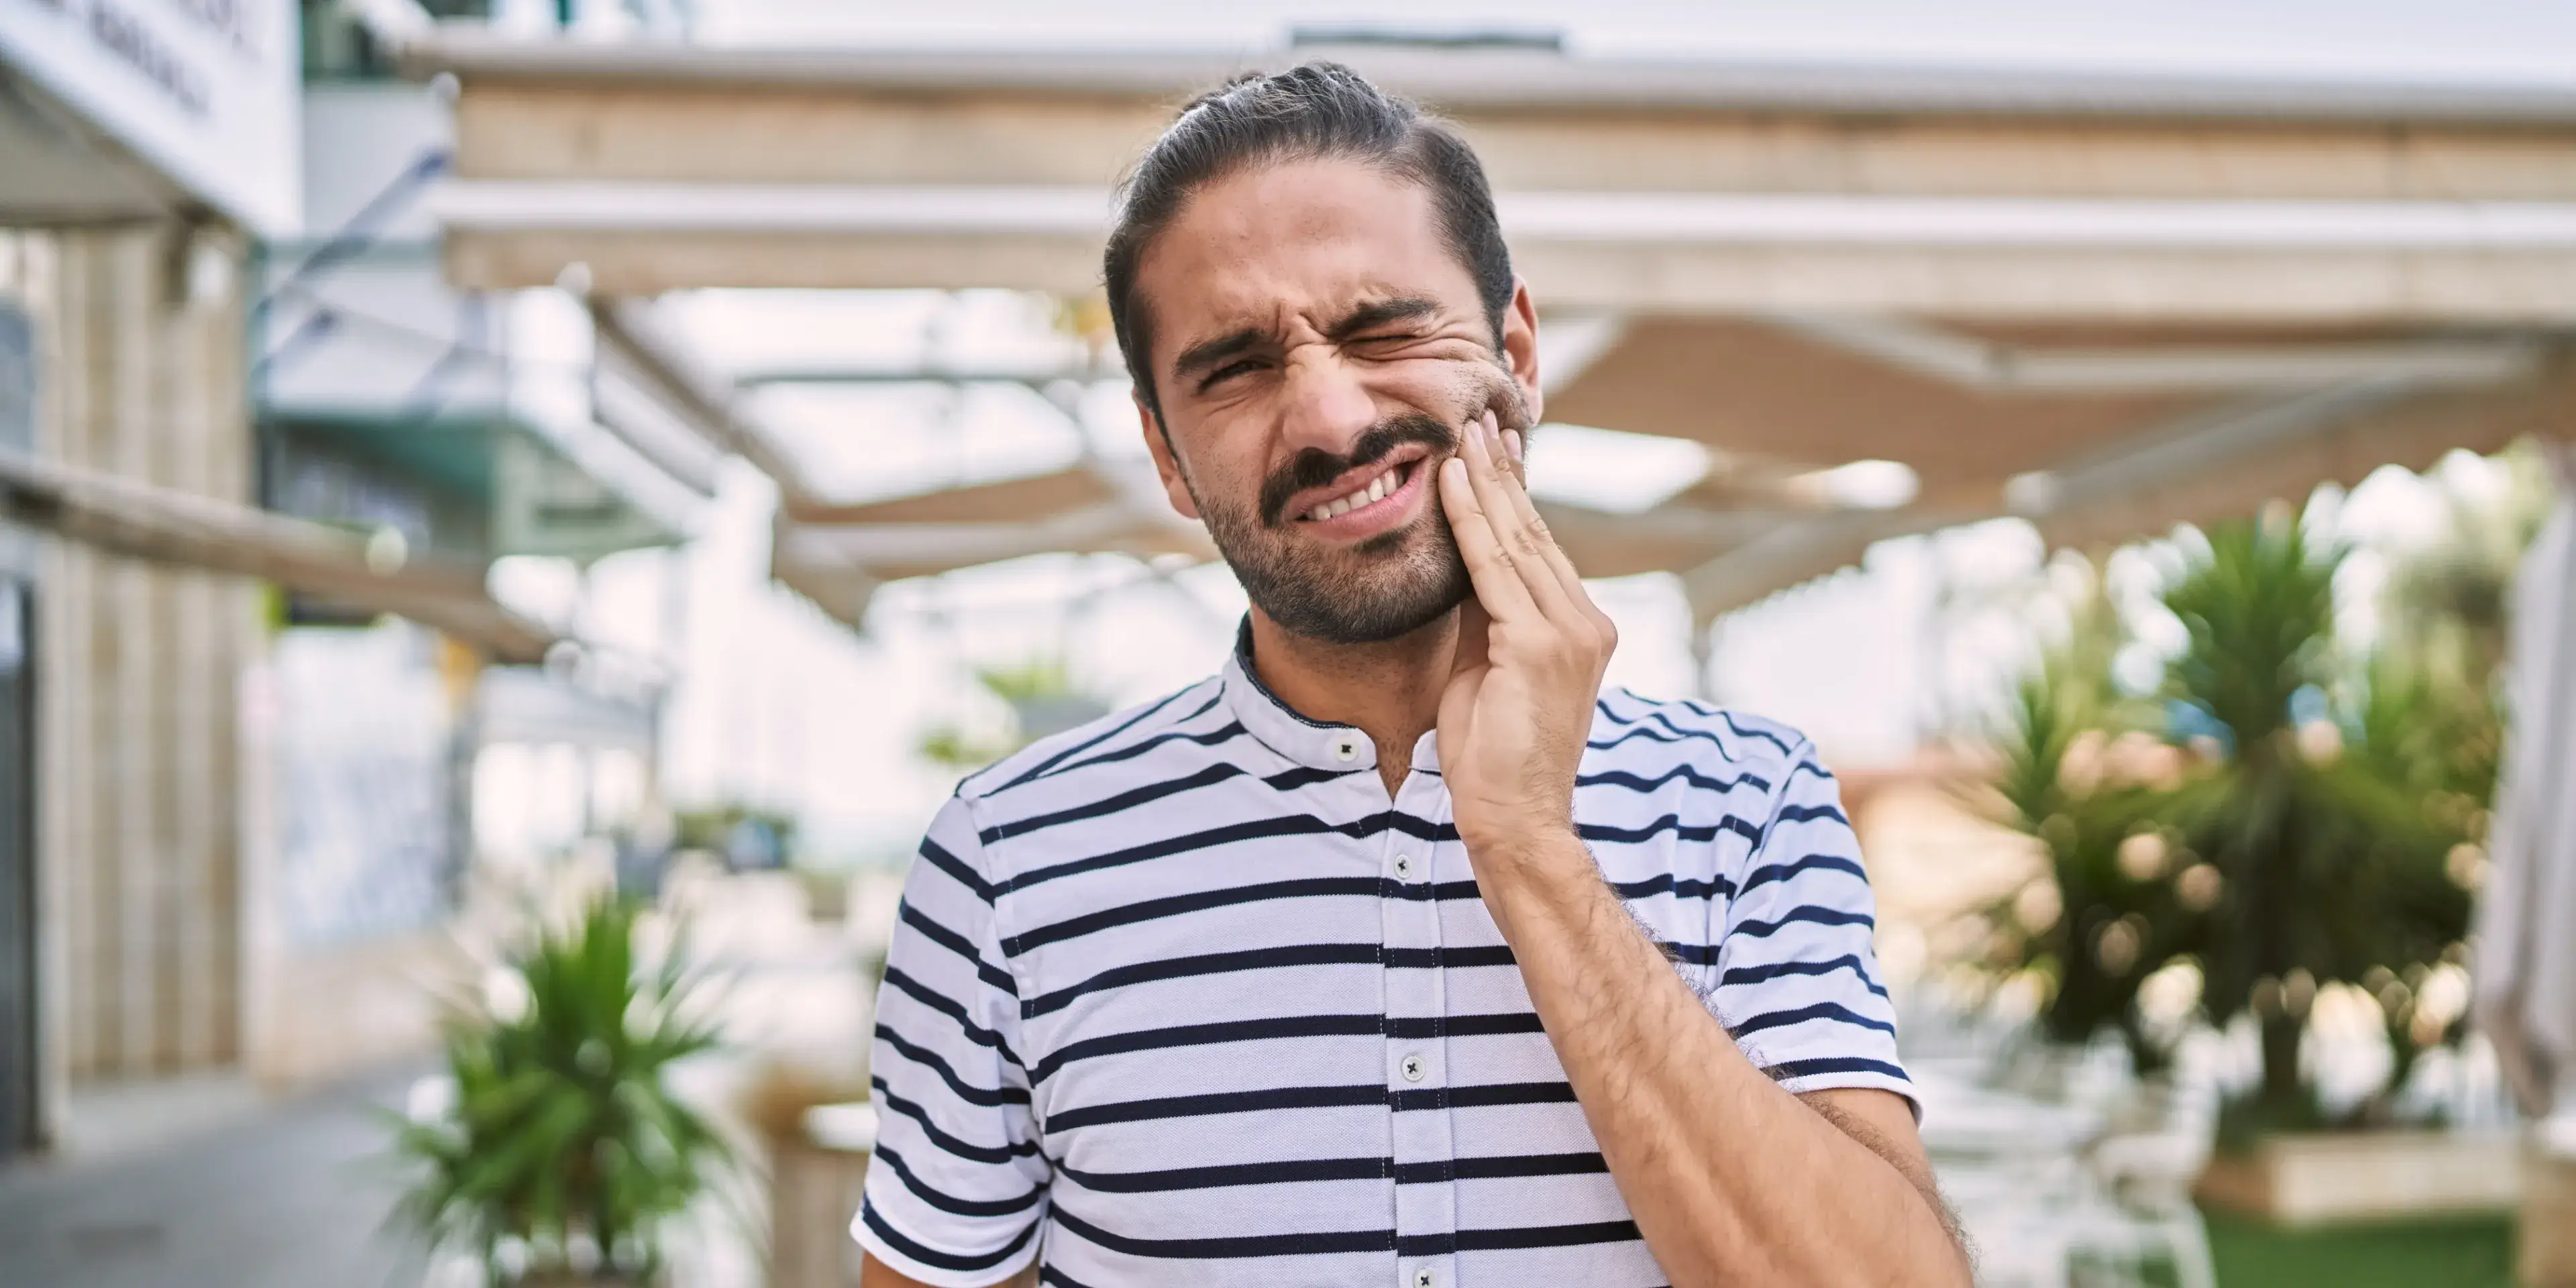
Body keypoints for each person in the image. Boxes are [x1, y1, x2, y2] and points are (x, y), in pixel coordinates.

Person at [856, 62, 1969, 1288]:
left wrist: (1528, 845)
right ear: (1165, 454)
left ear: (1517, 353)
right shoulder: (1009, 862)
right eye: (1236, 368)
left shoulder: (1746, 804)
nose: (1331, 422)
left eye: (1384, 331)